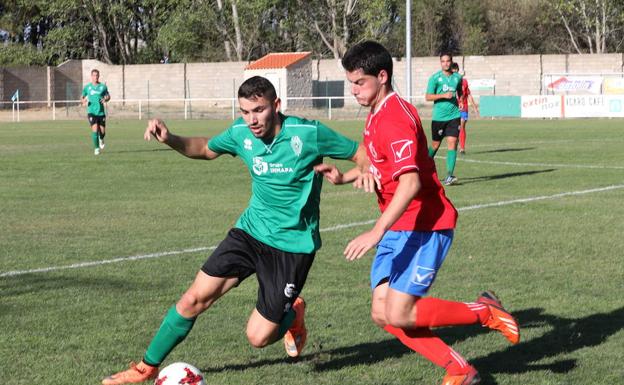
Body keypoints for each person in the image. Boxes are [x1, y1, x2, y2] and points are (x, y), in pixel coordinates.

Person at [101, 76, 368, 385]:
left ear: (276, 106)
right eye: (245, 111)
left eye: (258, 110)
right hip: (250, 232)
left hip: (292, 246)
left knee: (258, 337)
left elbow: (360, 153)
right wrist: (170, 137)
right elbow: (204, 148)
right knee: (192, 299)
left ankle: (294, 314)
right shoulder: (240, 133)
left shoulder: (308, 133)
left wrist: (355, 174)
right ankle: (145, 368)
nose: (252, 120)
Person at [315, 41, 520, 385]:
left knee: (399, 311)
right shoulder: (377, 112)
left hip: (425, 225)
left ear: (382, 76)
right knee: (384, 314)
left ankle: (484, 311)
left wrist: (375, 232)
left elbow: (409, 184)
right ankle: (460, 369)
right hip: (401, 227)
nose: (353, 90)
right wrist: (346, 176)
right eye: (350, 82)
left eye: (359, 82)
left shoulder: (395, 117)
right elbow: (376, 159)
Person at [425, 53, 463, 185]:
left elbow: (460, 91)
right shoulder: (435, 78)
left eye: (448, 61)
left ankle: (449, 175)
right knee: (435, 145)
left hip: (454, 116)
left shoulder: (458, 77)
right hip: (439, 118)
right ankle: (423, 168)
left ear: (451, 62)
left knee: (452, 142)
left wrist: (461, 100)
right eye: (443, 61)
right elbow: (428, 97)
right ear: (440, 63)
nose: (445, 63)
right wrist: (443, 96)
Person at [450, 62, 479, 155]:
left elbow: (469, 95)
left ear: (458, 71)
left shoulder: (464, 82)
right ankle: (456, 142)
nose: (454, 72)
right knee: (456, 128)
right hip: (453, 108)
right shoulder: (449, 82)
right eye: (453, 70)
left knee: (462, 125)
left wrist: (474, 107)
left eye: (456, 70)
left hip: (464, 108)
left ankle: (462, 147)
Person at [81, 69, 110, 155]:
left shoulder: (103, 87)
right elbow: (82, 97)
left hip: (101, 113)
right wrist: (83, 101)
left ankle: (101, 139)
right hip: (91, 112)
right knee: (94, 130)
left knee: (102, 132)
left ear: (99, 76)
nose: (95, 77)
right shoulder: (87, 87)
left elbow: (108, 96)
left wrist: (105, 99)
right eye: (94, 75)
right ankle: (96, 148)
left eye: (97, 75)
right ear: (91, 76)